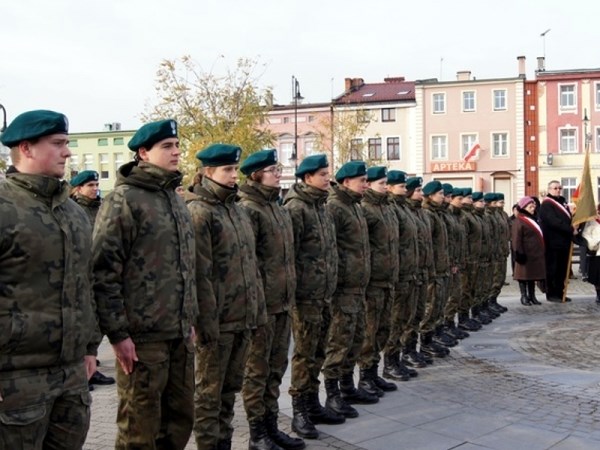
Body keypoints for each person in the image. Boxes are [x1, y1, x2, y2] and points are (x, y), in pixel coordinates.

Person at [93, 119, 198, 449]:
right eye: (167, 146)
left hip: (178, 333)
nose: (176, 151)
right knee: (140, 427)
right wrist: (118, 334)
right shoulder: (124, 200)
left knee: (180, 420)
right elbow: (102, 271)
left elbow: (185, 267)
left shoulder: (175, 199)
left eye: (177, 145)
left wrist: (189, 319)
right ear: (143, 153)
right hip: (142, 338)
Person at [0, 110, 99, 449]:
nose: (67, 152)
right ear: (25, 148)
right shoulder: (4, 206)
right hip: (15, 379)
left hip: (70, 375)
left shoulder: (72, 212)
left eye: (67, 144)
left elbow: (85, 285)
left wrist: (89, 348)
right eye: (58, 144)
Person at [189, 143, 266, 450]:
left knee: (229, 391)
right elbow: (199, 274)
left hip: (242, 318)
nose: (235, 175)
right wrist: (205, 325)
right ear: (208, 173)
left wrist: (256, 312)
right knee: (209, 395)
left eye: (235, 169)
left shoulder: (236, 210)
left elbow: (251, 266)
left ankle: (224, 443)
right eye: (228, 169)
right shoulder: (199, 212)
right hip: (217, 324)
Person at [238, 150, 305, 450]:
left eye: (277, 168)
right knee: (257, 371)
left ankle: (271, 425)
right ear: (255, 175)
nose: (278, 173)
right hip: (262, 307)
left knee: (276, 369)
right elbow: (248, 263)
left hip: (282, 303)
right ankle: (256, 433)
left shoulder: (276, 208)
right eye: (271, 169)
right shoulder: (249, 209)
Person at [283, 154, 341, 440]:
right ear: (307, 178)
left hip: (324, 294)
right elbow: (289, 255)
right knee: (304, 354)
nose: (327, 179)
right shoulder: (296, 208)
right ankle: (299, 411)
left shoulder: (321, 207)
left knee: (318, 351)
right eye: (322, 175)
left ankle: (313, 402)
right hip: (305, 297)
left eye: (328, 174)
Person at [322, 161, 376, 421]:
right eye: (361, 180)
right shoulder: (335, 207)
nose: (365, 184)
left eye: (366, 180)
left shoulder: (354, 206)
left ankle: (346, 387)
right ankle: (333, 395)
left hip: (358, 287)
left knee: (354, 341)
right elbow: (330, 249)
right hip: (342, 289)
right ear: (346, 182)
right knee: (339, 343)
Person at [70, 170, 116, 391]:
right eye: (90, 185)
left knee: (97, 326)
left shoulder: (101, 209)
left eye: (96, 184)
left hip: (100, 275)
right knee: (86, 325)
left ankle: (91, 368)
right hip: (83, 276)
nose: (95, 188)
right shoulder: (74, 211)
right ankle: (83, 374)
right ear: (78, 188)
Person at [359, 166, 402, 392]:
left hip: (388, 279)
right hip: (373, 281)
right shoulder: (366, 209)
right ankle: (365, 375)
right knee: (370, 330)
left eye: (387, 184)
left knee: (383, 329)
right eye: (381, 184)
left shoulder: (386, 209)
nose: (386, 187)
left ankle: (374, 372)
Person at [384, 171, 423, 373]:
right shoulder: (392, 209)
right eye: (402, 186)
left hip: (410, 273)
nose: (405, 190)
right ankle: (390, 362)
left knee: (408, 317)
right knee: (395, 320)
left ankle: (401, 355)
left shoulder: (403, 209)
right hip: (397, 276)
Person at [539, 181, 574, 302]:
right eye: (555, 188)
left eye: (560, 188)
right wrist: (570, 229)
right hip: (552, 242)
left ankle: (560, 292)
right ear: (549, 189)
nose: (558, 190)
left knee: (562, 269)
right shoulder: (547, 204)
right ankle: (552, 294)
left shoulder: (562, 202)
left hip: (564, 242)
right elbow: (553, 221)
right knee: (553, 269)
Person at [512, 196, 545, 305]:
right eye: (530, 206)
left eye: (533, 206)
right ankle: (524, 296)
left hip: (534, 253)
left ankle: (532, 296)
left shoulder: (534, 218)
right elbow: (516, 238)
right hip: (524, 253)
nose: (533, 208)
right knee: (523, 276)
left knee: (532, 276)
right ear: (524, 207)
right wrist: (518, 253)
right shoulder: (520, 220)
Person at [582, 204, 600, 304]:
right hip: (596, 252)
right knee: (597, 277)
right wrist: (594, 242)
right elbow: (586, 235)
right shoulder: (592, 222)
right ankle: (598, 294)